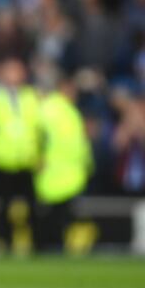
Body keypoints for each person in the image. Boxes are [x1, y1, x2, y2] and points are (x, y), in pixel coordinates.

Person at [0, 57, 40, 251]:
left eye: (17, 71)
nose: (13, 75)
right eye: (9, 71)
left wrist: (40, 155)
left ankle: (34, 244)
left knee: (32, 207)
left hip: (27, 161)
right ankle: (4, 244)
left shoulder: (33, 97)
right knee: (2, 208)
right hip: (2, 161)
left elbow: (39, 130)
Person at [33, 75, 93, 252]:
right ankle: (47, 248)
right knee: (52, 218)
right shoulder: (51, 109)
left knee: (59, 218)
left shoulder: (68, 110)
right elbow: (37, 136)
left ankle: (53, 248)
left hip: (67, 174)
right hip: (54, 173)